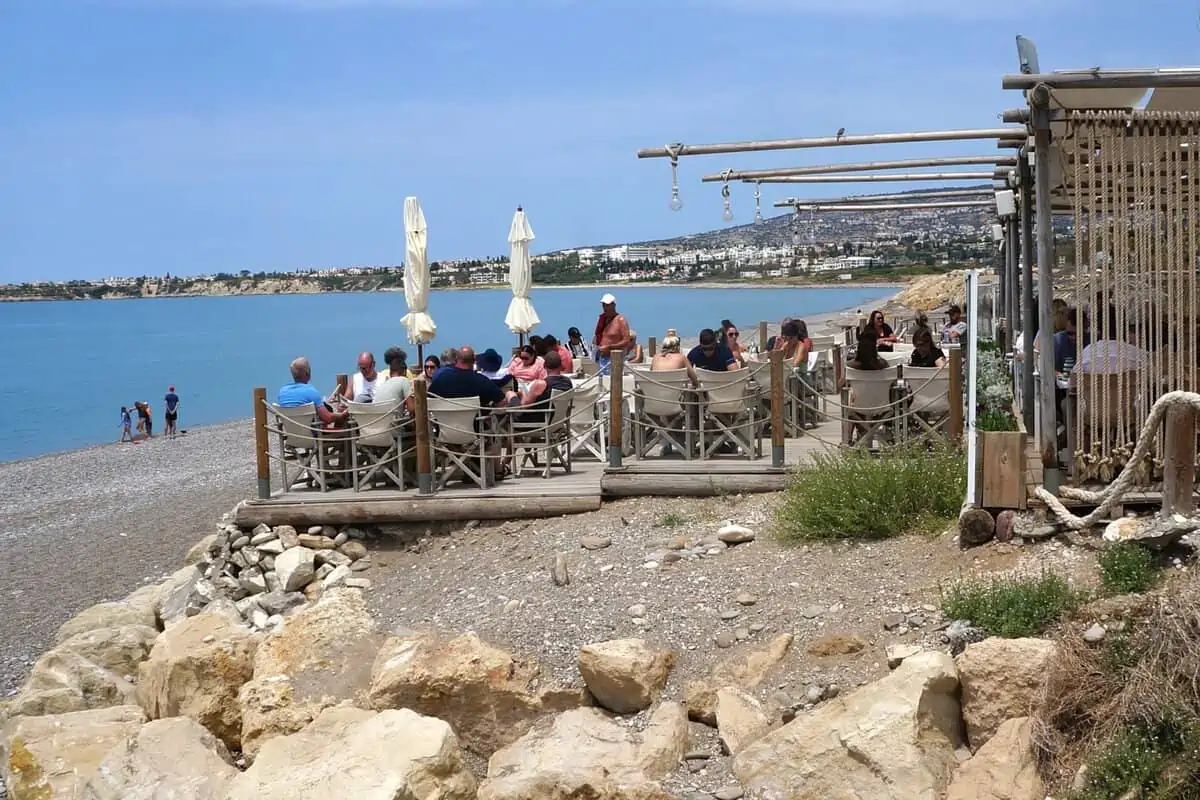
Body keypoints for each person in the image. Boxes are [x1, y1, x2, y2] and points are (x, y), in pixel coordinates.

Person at [278, 357, 348, 426]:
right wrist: (342, 415)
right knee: (329, 410)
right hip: (311, 435)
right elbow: (328, 418)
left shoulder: (282, 392)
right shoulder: (310, 391)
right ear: (307, 374)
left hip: (291, 433)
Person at [430, 346, 506, 406]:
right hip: (474, 425)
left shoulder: (441, 379)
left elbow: (429, 400)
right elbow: (502, 401)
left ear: (456, 360)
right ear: (474, 360)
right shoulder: (482, 381)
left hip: (443, 424)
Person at [593, 293, 632, 375]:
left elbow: (626, 340)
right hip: (602, 357)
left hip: (614, 358)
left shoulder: (620, 320)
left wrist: (610, 347)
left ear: (614, 305)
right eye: (604, 305)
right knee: (602, 382)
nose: (605, 308)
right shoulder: (603, 319)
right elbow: (598, 335)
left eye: (607, 305)